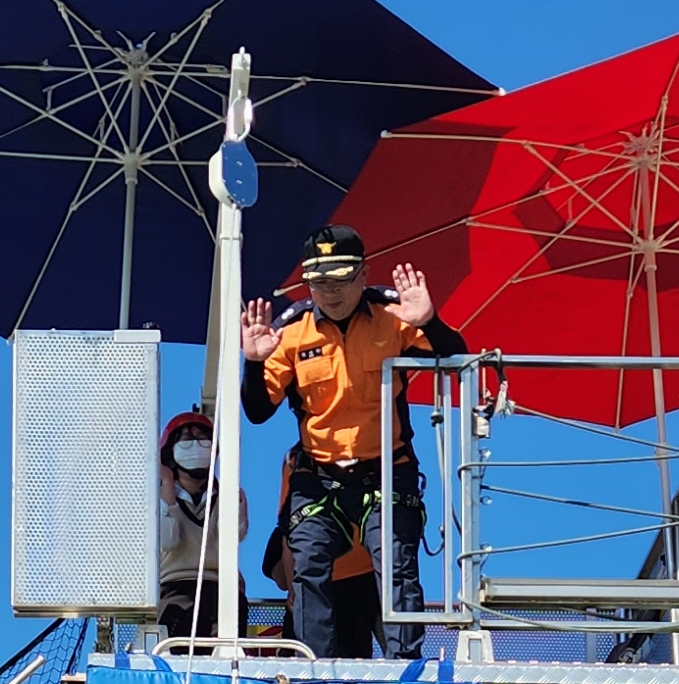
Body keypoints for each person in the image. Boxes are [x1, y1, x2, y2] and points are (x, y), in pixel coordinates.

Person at [239, 225, 464, 658]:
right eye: (319, 281)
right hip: (319, 477)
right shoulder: (292, 331)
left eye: (341, 279)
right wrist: (253, 363)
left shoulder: (391, 316)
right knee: (308, 563)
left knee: (396, 563)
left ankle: (405, 669)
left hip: (387, 471)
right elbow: (258, 410)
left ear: (363, 274)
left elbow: (455, 357)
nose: (330, 291)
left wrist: (428, 322)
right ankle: (314, 668)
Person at [151, 408, 246, 642]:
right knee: (178, 652)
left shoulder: (228, 494)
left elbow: (230, 539)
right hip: (175, 587)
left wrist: (229, 498)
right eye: (186, 439)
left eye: (203, 439)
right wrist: (167, 488)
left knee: (224, 655)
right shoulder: (156, 498)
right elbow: (168, 541)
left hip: (222, 589)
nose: (195, 445)